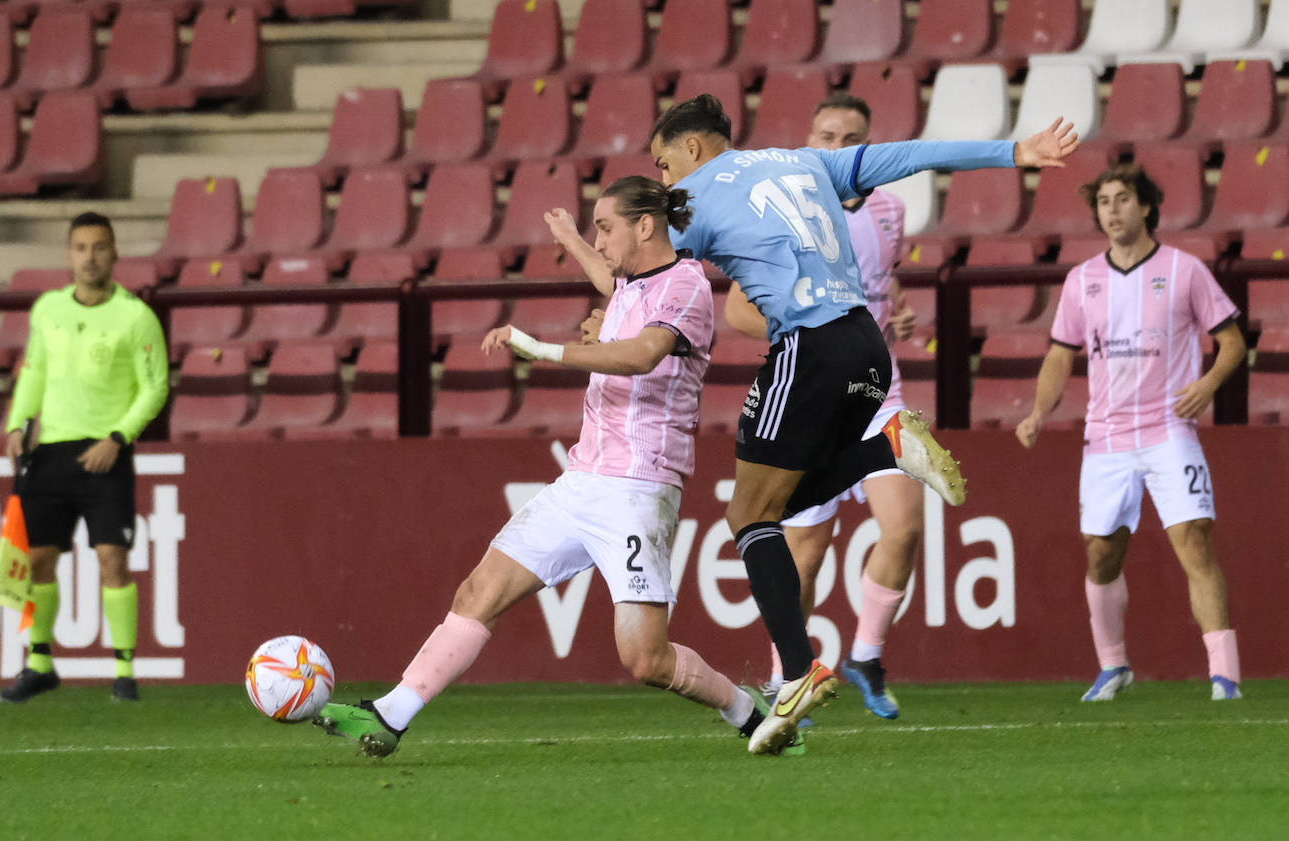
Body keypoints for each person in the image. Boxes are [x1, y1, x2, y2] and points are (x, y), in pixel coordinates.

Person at [649, 94, 1079, 753]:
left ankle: (796, 671)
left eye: (663, 162)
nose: (663, 178)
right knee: (764, 512)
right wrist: (1014, 151)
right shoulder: (807, 162)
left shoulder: (692, 195)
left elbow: (647, 268)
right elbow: (912, 156)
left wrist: (606, 301)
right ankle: (886, 447)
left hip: (808, 347)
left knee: (748, 519)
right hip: (869, 350)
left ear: (696, 149)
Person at [312, 177, 780, 758]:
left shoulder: (685, 285)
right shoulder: (633, 284)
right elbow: (612, 283)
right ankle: (392, 714)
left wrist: (542, 349)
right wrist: (571, 240)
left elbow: (641, 354)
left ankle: (744, 709)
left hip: (638, 487)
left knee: (645, 660)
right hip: (581, 481)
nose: (599, 239)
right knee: (478, 591)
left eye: (605, 227)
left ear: (645, 226)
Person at [1015, 164, 1247, 702]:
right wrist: (1037, 412)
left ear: (1146, 207)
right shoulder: (1082, 280)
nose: (1112, 210)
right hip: (1107, 437)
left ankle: (1225, 677)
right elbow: (1059, 355)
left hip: (1169, 429)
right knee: (1101, 553)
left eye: (1122, 199)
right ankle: (1113, 665)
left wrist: (1208, 384)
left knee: (1195, 541)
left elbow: (1233, 342)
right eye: (1103, 202)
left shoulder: (1184, 271)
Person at [724, 93, 920, 720]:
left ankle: (865, 654)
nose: (838, 146)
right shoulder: (783, 209)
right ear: (809, 141)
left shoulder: (892, 208)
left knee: (905, 527)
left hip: (876, 389)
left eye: (852, 136)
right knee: (805, 551)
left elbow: (882, 284)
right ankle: (789, 680)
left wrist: (898, 310)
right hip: (812, 392)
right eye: (828, 135)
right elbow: (735, 310)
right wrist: (809, 334)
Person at [0, 213, 169, 704]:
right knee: (36, 560)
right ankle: (40, 663)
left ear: (114, 254)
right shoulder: (47, 309)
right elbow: (33, 370)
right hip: (50, 451)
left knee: (111, 558)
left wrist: (118, 437)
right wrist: (16, 423)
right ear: (69, 254)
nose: (89, 256)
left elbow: (155, 387)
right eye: (80, 247)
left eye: (98, 247)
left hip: (104, 453)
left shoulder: (135, 317)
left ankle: (125, 670)